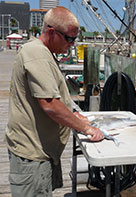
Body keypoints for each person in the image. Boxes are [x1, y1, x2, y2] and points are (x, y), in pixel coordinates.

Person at [5, 7, 104, 197]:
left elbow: (55, 95)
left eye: (75, 38)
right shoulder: (37, 53)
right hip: (31, 154)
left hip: (40, 151)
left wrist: (74, 114)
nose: (73, 44)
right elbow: (50, 104)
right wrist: (87, 129)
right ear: (51, 32)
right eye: (69, 38)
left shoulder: (43, 52)